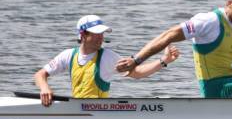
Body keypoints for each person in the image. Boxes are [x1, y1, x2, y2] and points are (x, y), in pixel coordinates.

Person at [35, 15, 180, 106]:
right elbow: (40, 74)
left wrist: (163, 60)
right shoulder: (68, 55)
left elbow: (137, 73)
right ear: (83, 35)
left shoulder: (107, 56)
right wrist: (44, 88)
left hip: (98, 111)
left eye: (102, 33)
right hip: (80, 109)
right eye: (97, 33)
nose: (101, 37)